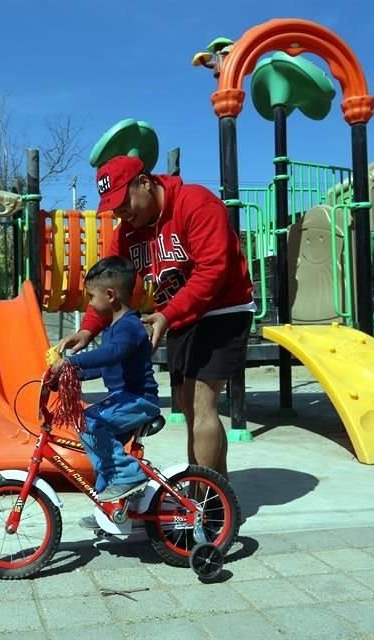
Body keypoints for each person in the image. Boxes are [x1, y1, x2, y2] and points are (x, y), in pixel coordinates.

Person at [60, 155, 254, 478]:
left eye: (125, 203)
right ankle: (219, 496)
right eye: (114, 208)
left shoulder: (196, 204)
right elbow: (109, 286)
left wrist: (167, 315)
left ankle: (200, 502)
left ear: (145, 182)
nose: (122, 213)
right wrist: (88, 329)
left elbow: (213, 271)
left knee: (199, 402)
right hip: (179, 314)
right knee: (188, 403)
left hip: (223, 308)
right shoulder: (125, 235)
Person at [50, 256, 160, 526]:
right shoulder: (113, 328)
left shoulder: (129, 327)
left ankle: (128, 476)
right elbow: (107, 367)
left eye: (91, 297)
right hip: (125, 400)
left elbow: (111, 355)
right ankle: (109, 508)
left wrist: (72, 361)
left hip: (139, 400)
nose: (89, 303)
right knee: (99, 448)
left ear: (110, 295)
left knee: (88, 423)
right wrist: (71, 374)